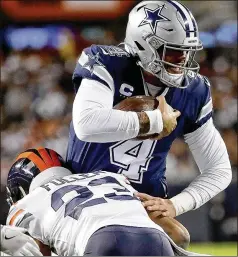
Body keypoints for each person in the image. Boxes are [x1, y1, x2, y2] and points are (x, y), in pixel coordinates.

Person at [66, 0, 232, 246]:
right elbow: (86, 124)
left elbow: (219, 170)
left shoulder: (194, 90)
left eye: (187, 52)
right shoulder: (107, 63)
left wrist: (175, 204)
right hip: (88, 193)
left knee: (178, 237)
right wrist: (153, 120)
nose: (182, 61)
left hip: (142, 202)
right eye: (174, 52)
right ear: (144, 45)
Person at [5, 147, 193, 256]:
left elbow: (35, 253)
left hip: (102, 242)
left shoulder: (28, 203)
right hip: (155, 240)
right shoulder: (111, 178)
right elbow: (180, 236)